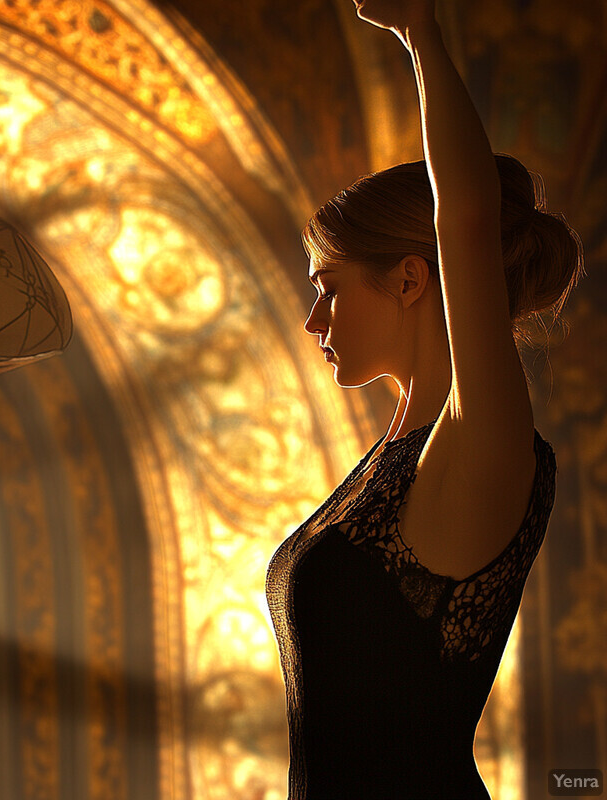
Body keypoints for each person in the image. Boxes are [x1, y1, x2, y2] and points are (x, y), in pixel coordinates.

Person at [265, 1, 584, 798]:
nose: (313, 320)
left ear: (411, 278)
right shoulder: (393, 457)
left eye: (329, 290)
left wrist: (420, 34)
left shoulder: (483, 443)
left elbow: (465, 222)